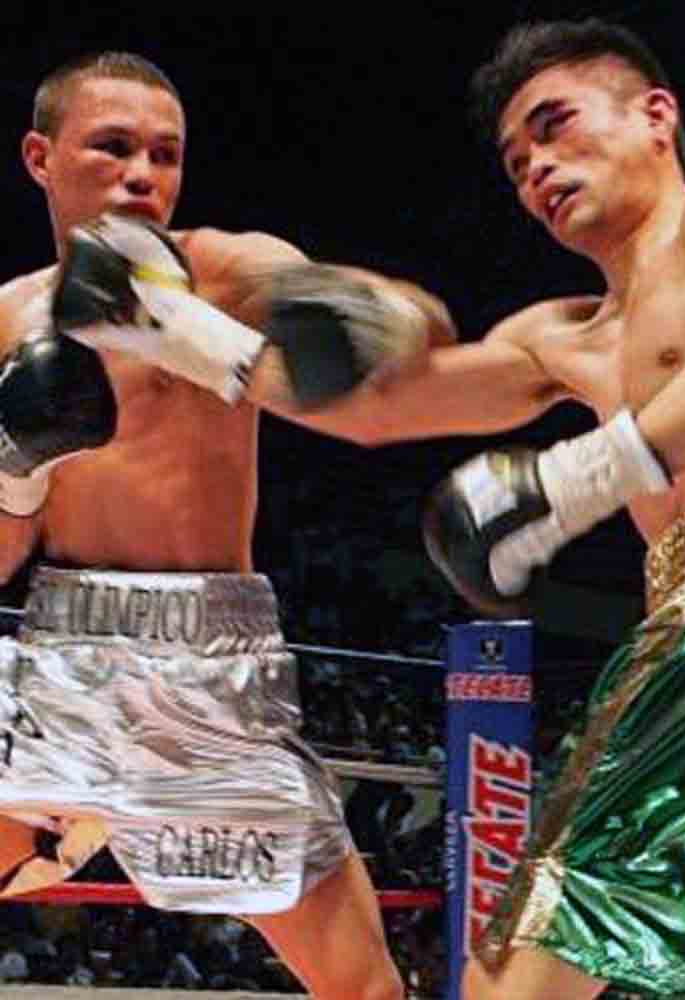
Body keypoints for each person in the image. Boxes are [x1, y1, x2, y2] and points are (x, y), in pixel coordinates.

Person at [0, 50, 470, 1000]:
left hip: (213, 671)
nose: (142, 174)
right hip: (60, 665)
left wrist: (189, 331)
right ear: (41, 158)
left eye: (164, 154)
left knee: (362, 986)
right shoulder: (9, 317)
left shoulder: (226, 268)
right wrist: (15, 467)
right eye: (113, 147)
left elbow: (405, 332)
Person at [422, 17, 685, 1000]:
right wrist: (196, 337)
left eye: (554, 125)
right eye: (515, 161)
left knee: (510, 977)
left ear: (654, 116)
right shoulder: (567, 338)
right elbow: (386, 398)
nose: (536, 166)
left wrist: (559, 487)